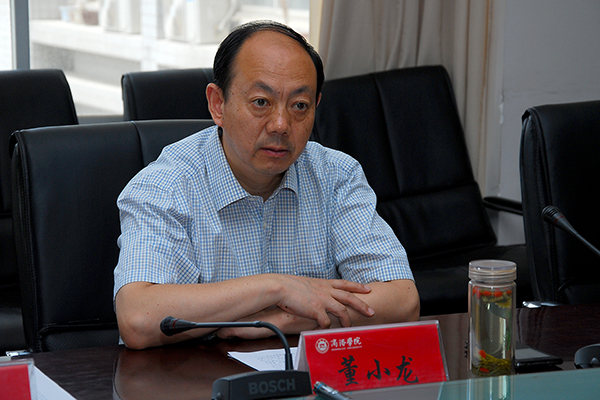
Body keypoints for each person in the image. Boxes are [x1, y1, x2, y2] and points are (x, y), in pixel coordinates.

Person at [114, 20, 419, 350]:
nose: (281, 125)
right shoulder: (166, 185)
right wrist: (277, 288)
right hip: (192, 376)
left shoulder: (336, 175)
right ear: (218, 104)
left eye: (299, 106)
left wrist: (283, 320)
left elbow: (402, 301)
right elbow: (139, 318)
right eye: (261, 102)